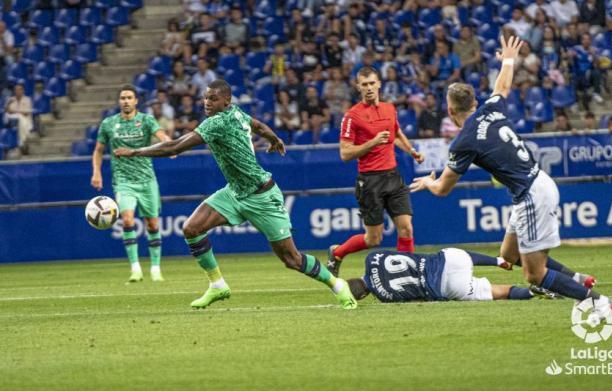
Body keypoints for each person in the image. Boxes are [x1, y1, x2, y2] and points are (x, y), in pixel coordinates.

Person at [409, 36, 612, 317]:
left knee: (534, 275)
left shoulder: (464, 140)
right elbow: (503, 84)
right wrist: (508, 59)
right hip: (535, 183)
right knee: (507, 256)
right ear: (475, 101)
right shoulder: (491, 108)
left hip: (531, 194)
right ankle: (577, 279)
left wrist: (427, 182)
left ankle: (597, 302)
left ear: (449, 111)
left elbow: (443, 188)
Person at [114, 79, 357, 310]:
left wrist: (136, 152)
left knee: (292, 260)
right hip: (234, 192)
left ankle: (338, 285)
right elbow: (258, 126)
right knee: (192, 228)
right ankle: (217, 285)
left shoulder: (216, 122)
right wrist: (274, 138)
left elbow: (174, 146)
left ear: (226, 102)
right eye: (205, 98)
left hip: (262, 196)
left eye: (213, 99)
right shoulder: (237, 112)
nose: (207, 103)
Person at [327, 67, 425, 277]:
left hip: (393, 176)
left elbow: (396, 134)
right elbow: (345, 154)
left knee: (406, 227)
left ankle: (405, 276)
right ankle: (337, 253)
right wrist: (371, 143)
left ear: (379, 84)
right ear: (358, 87)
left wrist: (411, 151)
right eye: (364, 84)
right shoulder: (352, 116)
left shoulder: (390, 109)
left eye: (372, 83)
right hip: (370, 181)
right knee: (373, 239)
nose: (369, 88)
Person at [91, 85, 171, 283]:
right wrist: (96, 173)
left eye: (129, 98)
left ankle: (155, 268)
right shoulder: (109, 124)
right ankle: (135, 268)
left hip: (147, 180)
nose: (125, 101)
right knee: (127, 219)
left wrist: (169, 144)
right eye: (122, 98)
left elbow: (161, 136)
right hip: (123, 181)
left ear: (136, 101)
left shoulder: (145, 120)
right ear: (119, 101)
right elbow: (99, 150)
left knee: (152, 224)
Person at [347, 249, 557, 303]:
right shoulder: (372, 257)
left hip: (448, 286)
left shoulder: (384, 296)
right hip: (447, 259)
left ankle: (532, 293)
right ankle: (497, 260)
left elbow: (417, 298)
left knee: (499, 292)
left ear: (363, 295)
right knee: (458, 254)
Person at [4, 83, 33, 155]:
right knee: (13, 117)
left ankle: (20, 143)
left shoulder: (27, 99)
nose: (17, 91)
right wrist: (8, 104)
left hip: (25, 120)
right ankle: (20, 143)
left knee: (19, 118)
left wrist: (15, 112)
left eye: (19, 89)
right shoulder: (11, 100)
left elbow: (26, 113)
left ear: (23, 91)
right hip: (12, 121)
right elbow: (7, 111)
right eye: (16, 89)